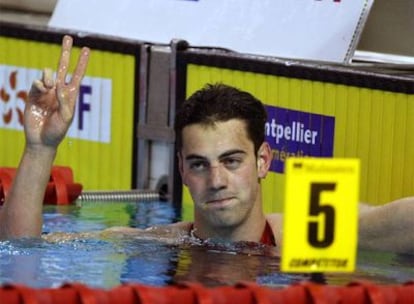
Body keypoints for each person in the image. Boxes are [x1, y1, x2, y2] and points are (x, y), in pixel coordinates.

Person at [0, 36, 413, 255]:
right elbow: (21, 251)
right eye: (199, 164)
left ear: (263, 160)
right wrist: (40, 148)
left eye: (232, 161)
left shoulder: (305, 234)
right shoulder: (158, 242)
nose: (216, 180)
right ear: (181, 170)